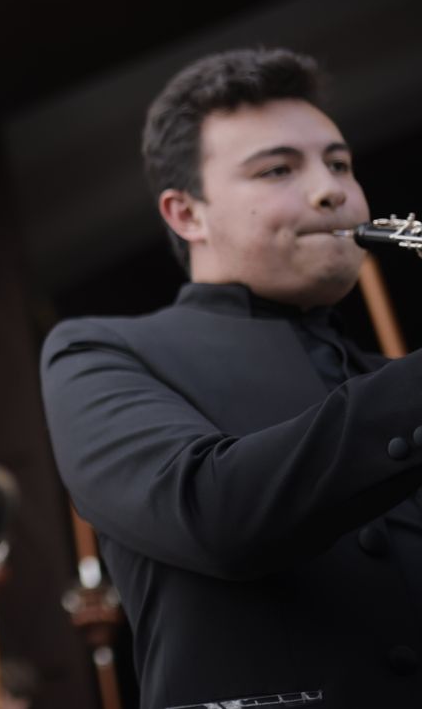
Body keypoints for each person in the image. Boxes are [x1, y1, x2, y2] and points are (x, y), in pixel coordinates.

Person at [40, 47, 422, 708]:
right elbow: (216, 515)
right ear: (187, 214)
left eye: (339, 164)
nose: (332, 190)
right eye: (278, 169)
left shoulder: (390, 379)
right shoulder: (99, 350)